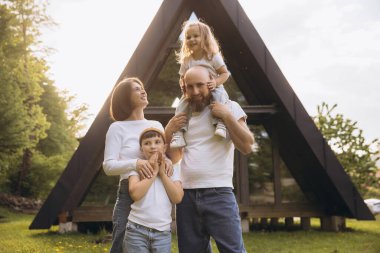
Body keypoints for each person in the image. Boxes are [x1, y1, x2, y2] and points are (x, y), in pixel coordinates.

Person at [165, 65, 255, 253]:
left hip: (219, 193)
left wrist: (227, 116)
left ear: (211, 83)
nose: (195, 91)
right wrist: (168, 131)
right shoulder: (183, 114)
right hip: (186, 196)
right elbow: (174, 157)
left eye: (200, 85)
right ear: (184, 87)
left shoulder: (229, 107)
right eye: (190, 86)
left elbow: (246, 145)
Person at [103, 77, 172, 253]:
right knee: (120, 243)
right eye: (136, 89)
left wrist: (168, 161)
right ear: (125, 98)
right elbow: (108, 166)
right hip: (129, 191)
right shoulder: (117, 128)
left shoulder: (155, 125)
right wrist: (137, 163)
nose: (143, 91)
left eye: (142, 88)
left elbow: (162, 155)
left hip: (156, 191)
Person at [170, 20, 231, 149]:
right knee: (181, 106)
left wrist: (215, 82)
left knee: (220, 97)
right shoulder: (187, 59)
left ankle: (220, 123)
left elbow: (225, 74)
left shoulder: (212, 56)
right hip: (193, 90)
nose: (192, 39)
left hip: (212, 87)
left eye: (196, 36)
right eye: (188, 37)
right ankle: (179, 133)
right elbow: (182, 77)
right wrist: (183, 85)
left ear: (205, 37)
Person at [124, 127, 183, 253]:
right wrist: (154, 172)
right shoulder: (136, 168)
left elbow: (177, 197)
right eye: (147, 143)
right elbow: (135, 194)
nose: (152, 146)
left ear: (165, 147)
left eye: (157, 142)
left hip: (162, 233)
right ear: (141, 149)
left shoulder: (172, 169)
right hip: (136, 230)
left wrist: (163, 174)